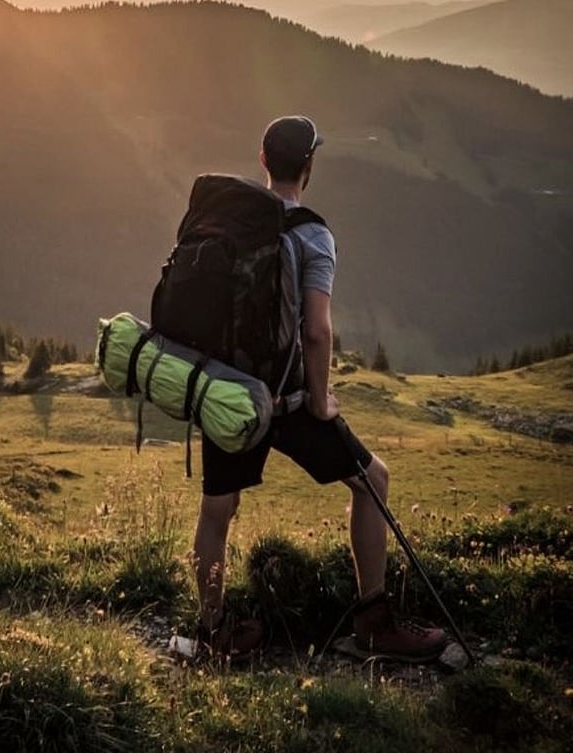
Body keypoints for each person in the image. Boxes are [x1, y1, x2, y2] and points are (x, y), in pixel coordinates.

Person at [191, 115, 447, 662]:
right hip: (288, 402)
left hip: (230, 395)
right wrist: (320, 399)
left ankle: (214, 631)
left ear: (263, 160)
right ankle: (373, 624)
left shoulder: (228, 219)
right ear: (309, 166)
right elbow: (316, 331)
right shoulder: (313, 234)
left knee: (217, 510)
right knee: (373, 480)